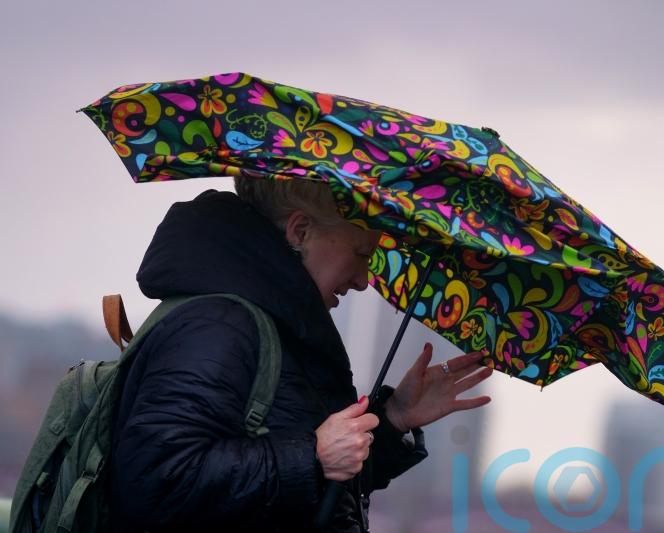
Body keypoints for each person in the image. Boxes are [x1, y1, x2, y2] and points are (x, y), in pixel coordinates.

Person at [109, 177, 493, 532]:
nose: (363, 281)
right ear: (301, 232)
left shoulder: (280, 330)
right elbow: (156, 480)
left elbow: (305, 495)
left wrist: (393, 419)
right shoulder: (219, 326)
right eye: (361, 254)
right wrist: (312, 457)